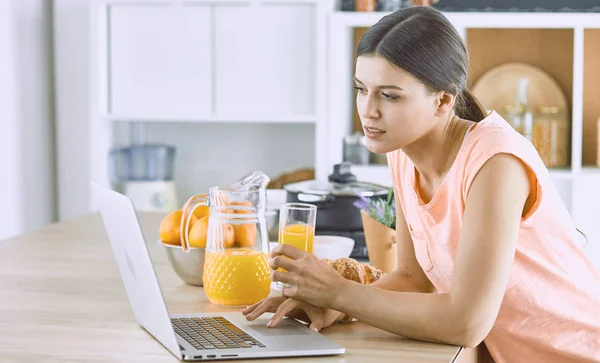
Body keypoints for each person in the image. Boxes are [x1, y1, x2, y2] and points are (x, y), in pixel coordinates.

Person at [242, 6, 600, 363]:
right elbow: (412, 279)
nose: (367, 110)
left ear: (443, 99)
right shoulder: (402, 152)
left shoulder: (497, 162)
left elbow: (467, 323)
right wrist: (331, 306)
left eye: (390, 95)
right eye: (361, 88)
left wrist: (340, 294)